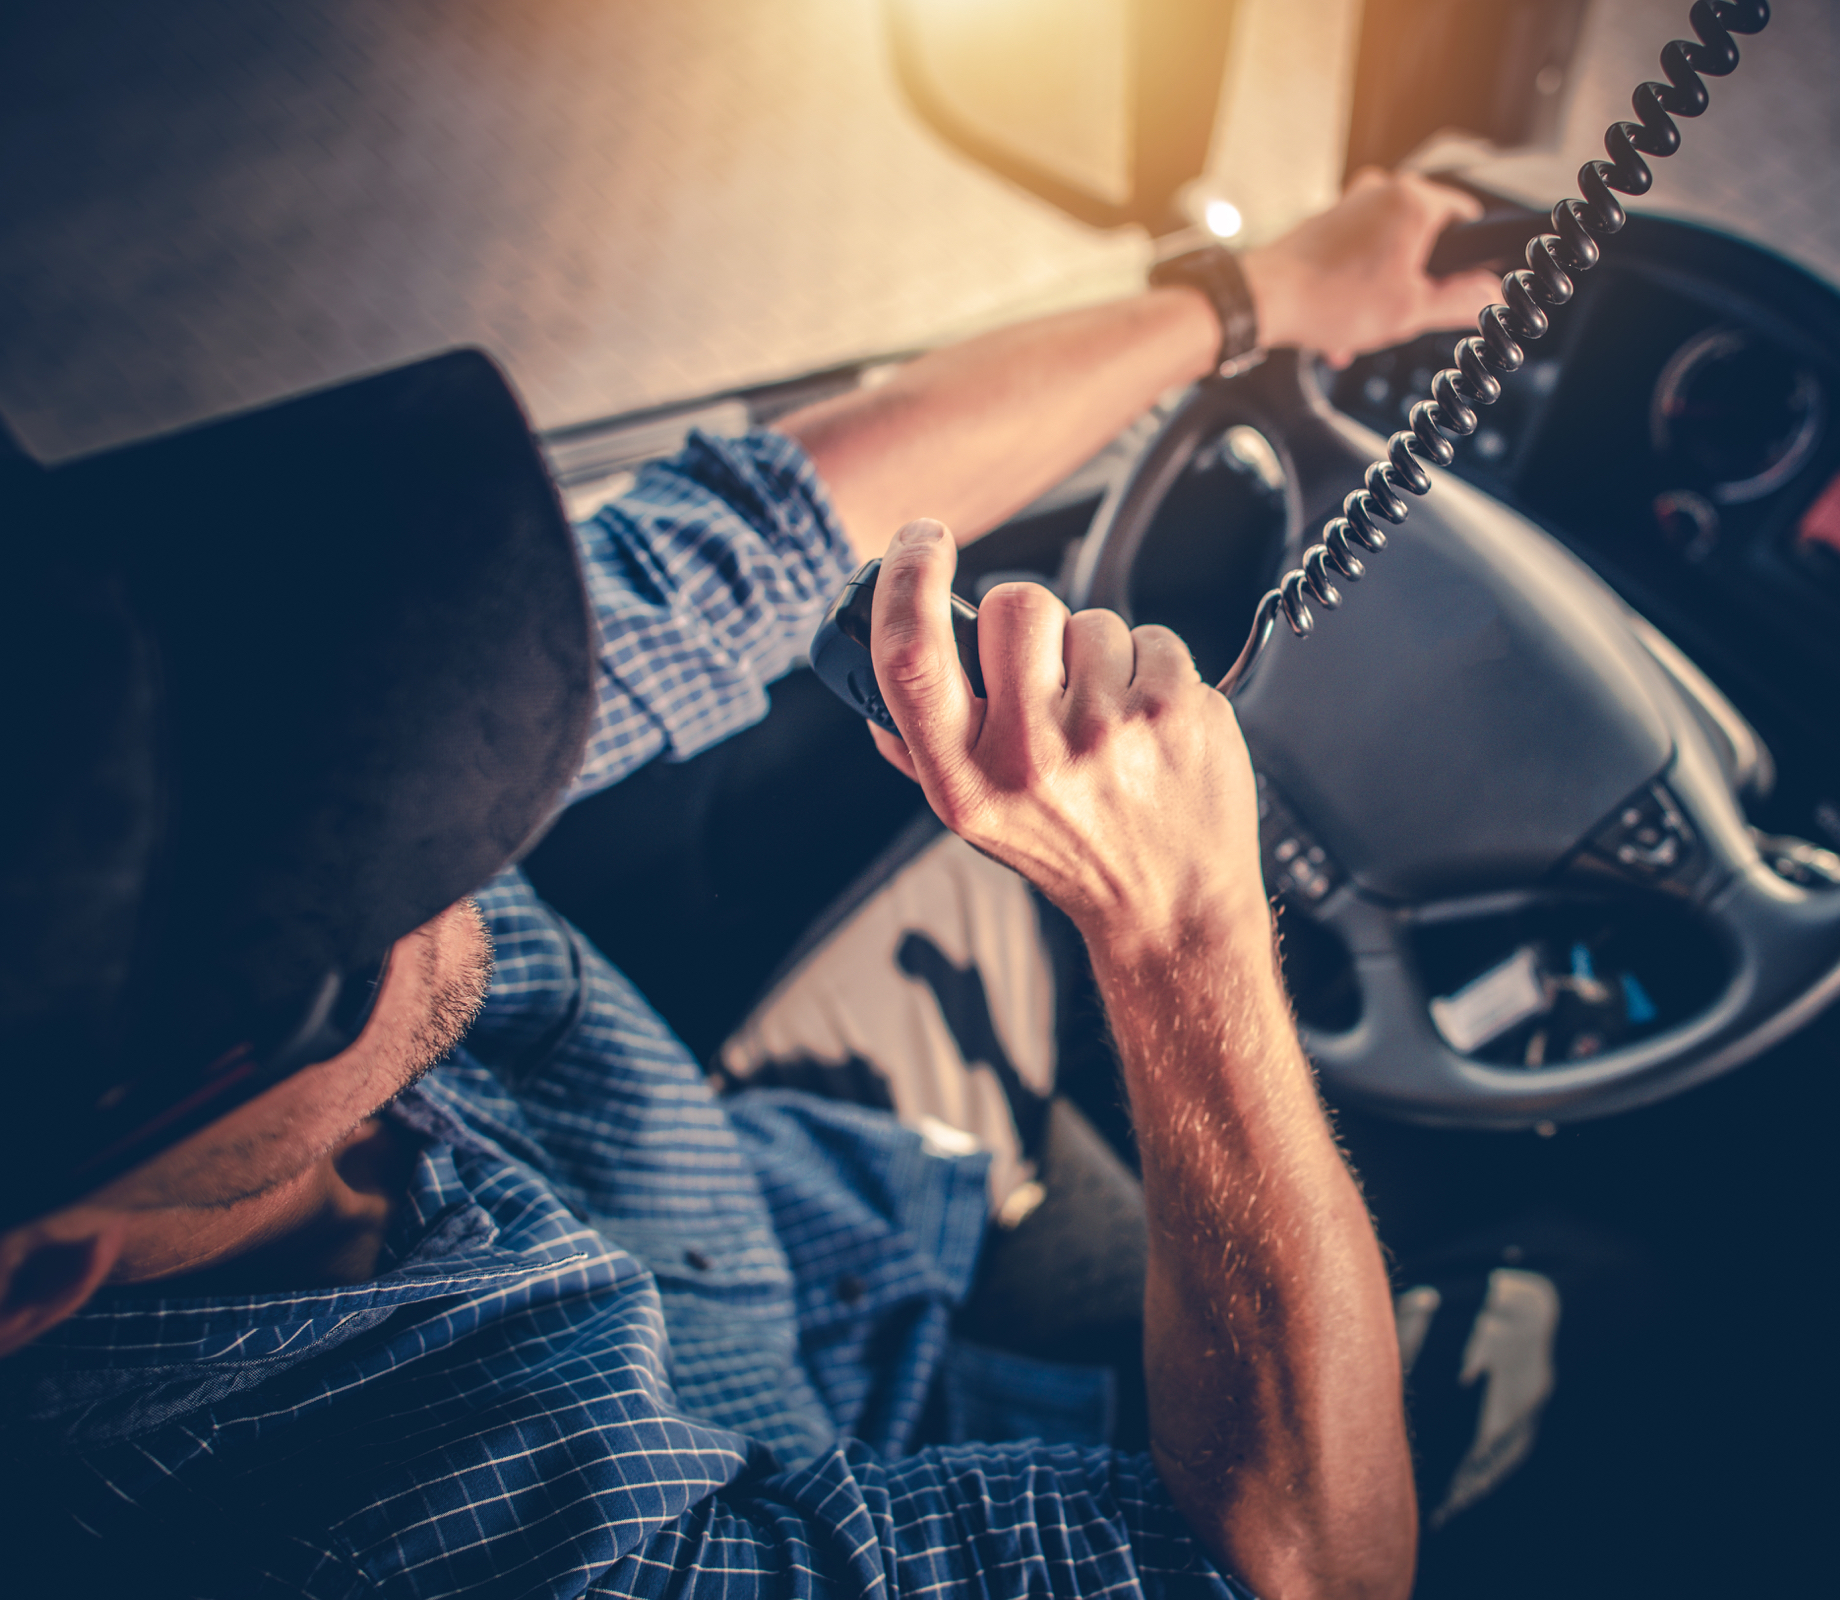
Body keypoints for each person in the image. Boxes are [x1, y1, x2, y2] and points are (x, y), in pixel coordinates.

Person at [0, 173, 1499, 1598]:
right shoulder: (433, 1552)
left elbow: (750, 543)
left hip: (845, 1212)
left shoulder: (190, 835)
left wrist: (1270, 287)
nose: (439, 827)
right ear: (41, 1273)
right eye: (308, 934)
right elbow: (1293, 1569)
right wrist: (1183, 929)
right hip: (895, 1477)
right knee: (1522, 1352)